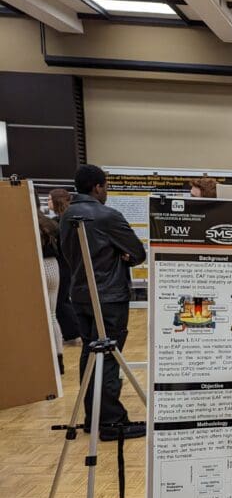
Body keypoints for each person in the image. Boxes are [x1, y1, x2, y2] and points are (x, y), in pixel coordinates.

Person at [60, 164, 147, 441]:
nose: (106, 191)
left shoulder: (67, 214)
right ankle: (111, 422)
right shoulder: (107, 216)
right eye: (105, 186)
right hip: (108, 297)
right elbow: (137, 252)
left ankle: (93, 417)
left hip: (81, 296)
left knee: (90, 353)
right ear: (97, 187)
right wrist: (123, 257)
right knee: (108, 356)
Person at [48, 188, 80, 343]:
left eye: (49, 199)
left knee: (61, 301)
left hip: (63, 265)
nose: (47, 202)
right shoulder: (67, 219)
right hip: (67, 264)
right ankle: (73, 332)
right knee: (63, 299)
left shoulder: (59, 222)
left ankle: (73, 333)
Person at [37, 212, 64, 375]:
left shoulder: (23, 222)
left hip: (37, 266)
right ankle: (59, 360)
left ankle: (43, 361)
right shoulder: (49, 223)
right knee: (52, 315)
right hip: (53, 266)